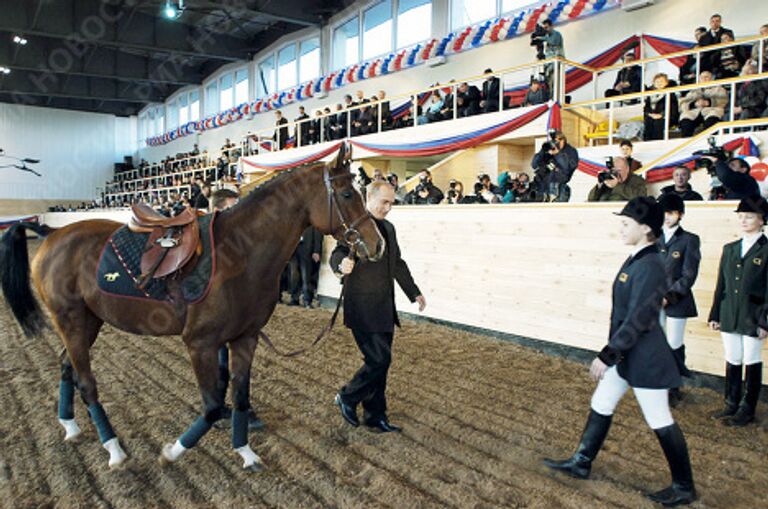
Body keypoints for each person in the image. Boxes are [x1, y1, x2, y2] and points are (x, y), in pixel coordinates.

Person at [544, 197, 697, 507]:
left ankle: (684, 486)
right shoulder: (637, 258)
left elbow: (640, 317)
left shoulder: (651, 265)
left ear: (645, 228)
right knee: (601, 401)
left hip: (643, 357)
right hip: (626, 354)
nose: (620, 229)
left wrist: (607, 353)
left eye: (626, 224)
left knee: (659, 417)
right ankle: (581, 461)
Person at [331, 181, 427, 433]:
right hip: (361, 305)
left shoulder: (390, 229)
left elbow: (397, 263)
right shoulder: (354, 227)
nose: (388, 208)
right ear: (369, 199)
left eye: (391, 203)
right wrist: (341, 265)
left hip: (385, 307)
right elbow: (337, 254)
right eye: (384, 202)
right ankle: (348, 396)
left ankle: (375, 415)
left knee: (380, 364)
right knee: (379, 359)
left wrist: (413, 291)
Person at [708, 196, 768, 426]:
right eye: (741, 217)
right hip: (729, 311)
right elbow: (721, 284)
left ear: (761, 220)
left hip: (753, 314)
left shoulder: (766, 249)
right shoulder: (730, 248)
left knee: (751, 358)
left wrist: (765, 321)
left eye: (749, 217)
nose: (743, 220)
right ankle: (730, 403)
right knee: (732, 356)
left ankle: (747, 408)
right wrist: (715, 314)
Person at [211, 189, 264, 431]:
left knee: (233, 360)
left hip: (238, 312)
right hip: (219, 313)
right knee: (225, 360)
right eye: (234, 208)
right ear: (218, 211)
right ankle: (226, 407)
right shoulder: (209, 242)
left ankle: (229, 406)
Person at [657, 194, 701, 407]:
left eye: (671, 213)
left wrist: (669, 297)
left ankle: (673, 387)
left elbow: (689, 275)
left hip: (677, 301)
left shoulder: (689, 240)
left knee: (674, 343)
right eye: (664, 212)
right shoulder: (653, 237)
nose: (667, 217)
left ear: (680, 214)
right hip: (654, 299)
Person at [531, 130, 579, 202]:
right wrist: (543, 151)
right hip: (543, 188)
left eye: (557, 141)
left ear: (563, 140)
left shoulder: (570, 151)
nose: (555, 143)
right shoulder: (550, 150)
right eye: (554, 141)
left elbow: (568, 168)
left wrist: (557, 154)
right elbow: (534, 164)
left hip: (559, 188)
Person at [678, 71, 727, 137]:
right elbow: (683, 102)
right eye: (701, 77)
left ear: (711, 79)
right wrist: (693, 104)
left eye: (706, 77)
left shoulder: (719, 89)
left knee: (712, 118)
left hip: (712, 110)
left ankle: (709, 139)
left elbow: (723, 100)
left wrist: (709, 102)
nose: (704, 79)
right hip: (695, 111)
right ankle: (685, 140)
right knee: (685, 118)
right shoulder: (694, 90)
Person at [288, 226, 323, 308]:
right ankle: (294, 298)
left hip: (307, 249)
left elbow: (318, 233)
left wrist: (316, 250)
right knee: (294, 275)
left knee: (306, 276)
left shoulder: (312, 218)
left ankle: (307, 300)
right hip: (294, 250)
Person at [644, 73, 679, 141]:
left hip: (667, 117)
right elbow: (646, 108)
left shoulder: (670, 94)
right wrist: (650, 114)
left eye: (661, 81)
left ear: (666, 83)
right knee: (648, 122)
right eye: (657, 81)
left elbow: (673, 108)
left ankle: (657, 143)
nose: (659, 83)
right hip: (652, 117)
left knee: (658, 122)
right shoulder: (650, 95)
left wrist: (661, 115)